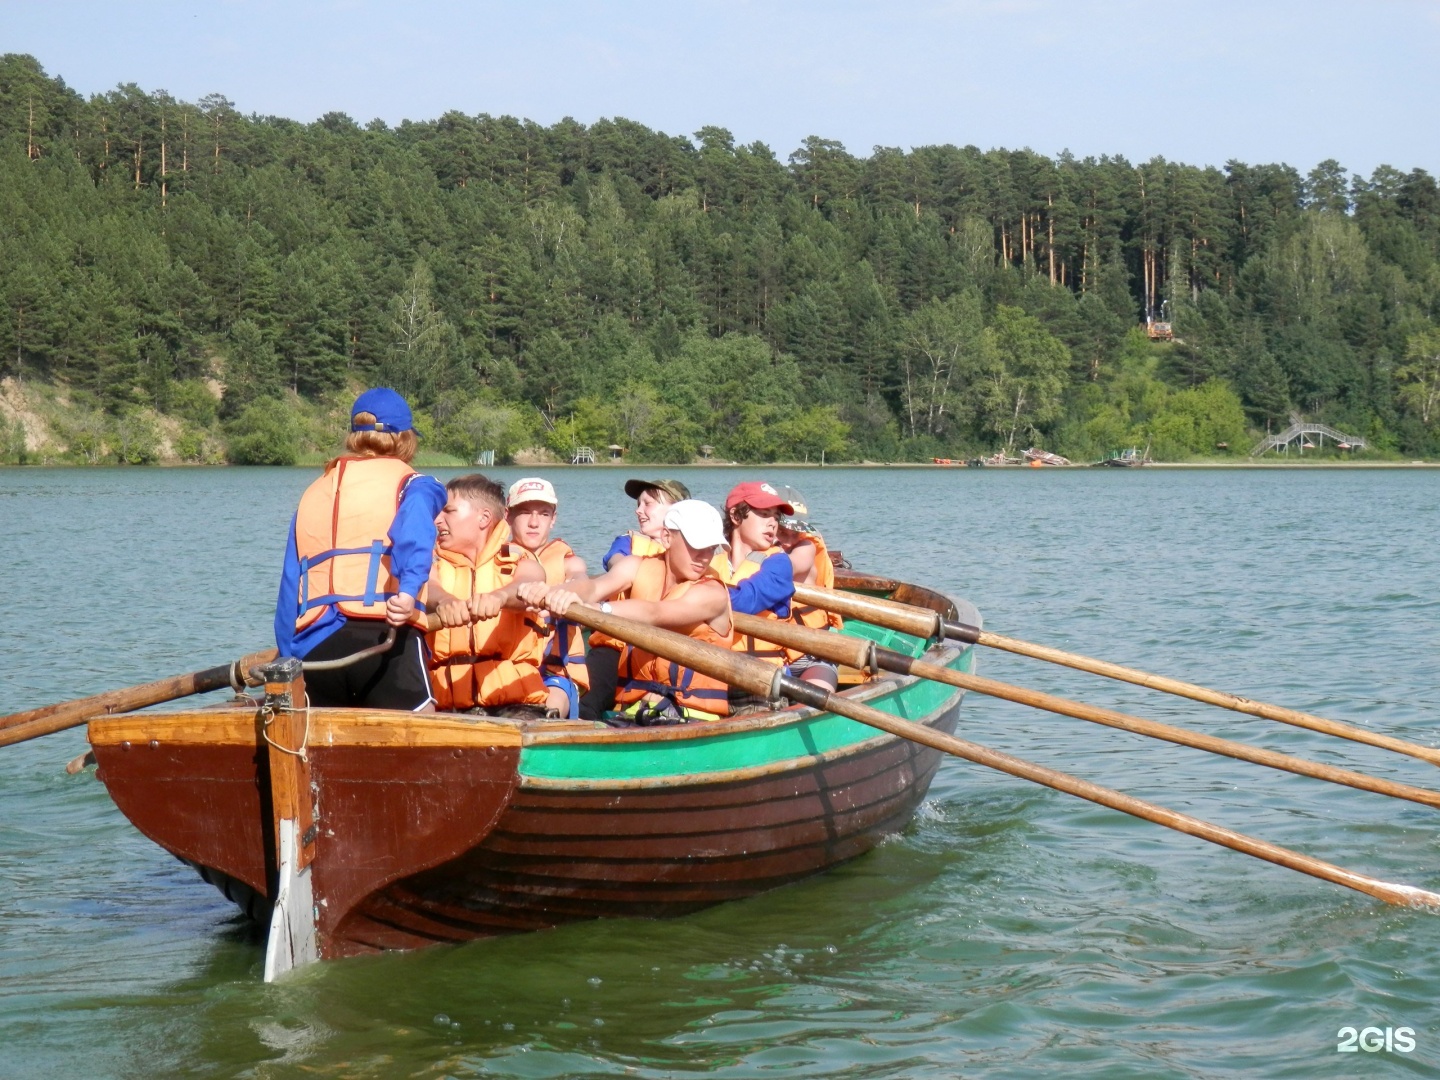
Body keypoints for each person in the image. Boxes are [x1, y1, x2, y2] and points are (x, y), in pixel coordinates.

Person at [274, 388, 447, 710]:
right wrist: (408, 592)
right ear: (405, 438)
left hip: (313, 647)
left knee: (322, 750)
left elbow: (289, 583)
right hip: (383, 639)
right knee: (418, 736)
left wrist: (287, 656)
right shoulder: (416, 484)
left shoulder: (314, 492)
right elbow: (415, 536)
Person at [526, 500, 733, 724]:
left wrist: (599, 610)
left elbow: (656, 612)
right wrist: (556, 594)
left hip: (693, 716)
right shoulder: (637, 566)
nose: (704, 556)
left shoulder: (714, 593)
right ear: (667, 537)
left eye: (711, 548)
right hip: (638, 710)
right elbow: (594, 587)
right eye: (696, 545)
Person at [426, 474, 550, 715]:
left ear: (483, 518)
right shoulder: (432, 564)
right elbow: (427, 586)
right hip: (447, 706)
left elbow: (530, 581)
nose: (438, 520)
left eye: (448, 511)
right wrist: (445, 602)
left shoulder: (518, 561)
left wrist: (499, 597)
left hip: (516, 705)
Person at [506, 477, 589, 718]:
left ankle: (546, 720)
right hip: (507, 669)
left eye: (543, 514)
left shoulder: (568, 562)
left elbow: (582, 581)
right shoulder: (494, 562)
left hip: (553, 671)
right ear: (508, 516)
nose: (534, 523)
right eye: (524, 513)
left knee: (545, 711)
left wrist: (563, 593)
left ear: (553, 519)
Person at [771, 484, 843, 690]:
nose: (788, 541)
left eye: (795, 533)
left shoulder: (805, 548)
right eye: (782, 532)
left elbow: (786, 567)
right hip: (769, 656)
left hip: (811, 656)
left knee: (816, 699)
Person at [601, 478, 691, 570]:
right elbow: (615, 561)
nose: (638, 511)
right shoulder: (627, 542)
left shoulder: (697, 548)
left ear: (675, 509)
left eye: (648, 504)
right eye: (639, 504)